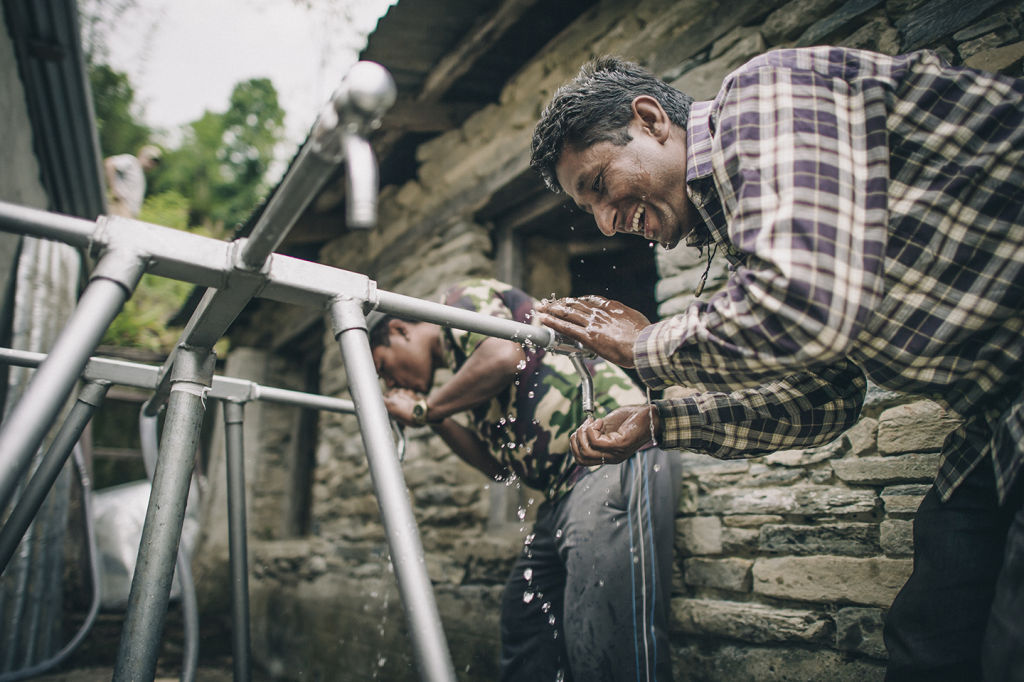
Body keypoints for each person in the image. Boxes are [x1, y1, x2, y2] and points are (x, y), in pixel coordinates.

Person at [529, 49, 1024, 680]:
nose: (604, 223)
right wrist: (659, 423)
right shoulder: (749, 227)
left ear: (651, 120)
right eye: (590, 207)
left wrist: (643, 344)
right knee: (930, 636)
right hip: (996, 417)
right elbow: (824, 400)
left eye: (600, 185)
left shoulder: (763, 98)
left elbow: (805, 304)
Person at [369, 277, 681, 682]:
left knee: (607, 641)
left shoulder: (458, 301)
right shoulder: (465, 377)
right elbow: (497, 469)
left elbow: (503, 355)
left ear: (399, 330)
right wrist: (434, 418)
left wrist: (426, 410)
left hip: (612, 460)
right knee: (527, 628)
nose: (390, 383)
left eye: (382, 367)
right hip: (561, 495)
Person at [104, 144, 161, 218]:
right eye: (150, 160)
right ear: (142, 155)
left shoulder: (141, 174)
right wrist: (114, 190)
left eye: (154, 163)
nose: (151, 164)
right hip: (119, 207)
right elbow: (110, 163)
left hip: (129, 213)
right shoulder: (131, 161)